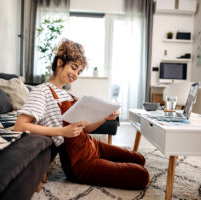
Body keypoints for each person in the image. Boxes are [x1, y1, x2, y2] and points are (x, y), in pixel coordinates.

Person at [14, 39, 149, 190]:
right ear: (60, 63)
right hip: (79, 162)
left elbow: (86, 129)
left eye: (79, 72)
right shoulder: (42, 90)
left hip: (92, 144)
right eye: (74, 68)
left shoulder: (69, 95)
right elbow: (20, 125)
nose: (76, 75)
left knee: (139, 159)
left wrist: (104, 117)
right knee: (141, 176)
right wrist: (62, 132)